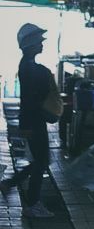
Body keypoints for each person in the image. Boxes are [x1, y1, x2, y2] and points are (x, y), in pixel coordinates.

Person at [1, 24, 63, 218]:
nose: (42, 44)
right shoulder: (31, 68)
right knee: (40, 161)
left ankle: (12, 186)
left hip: (33, 120)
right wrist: (26, 124)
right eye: (38, 41)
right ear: (29, 44)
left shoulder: (28, 65)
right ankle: (32, 203)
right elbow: (31, 98)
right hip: (34, 121)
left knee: (40, 161)